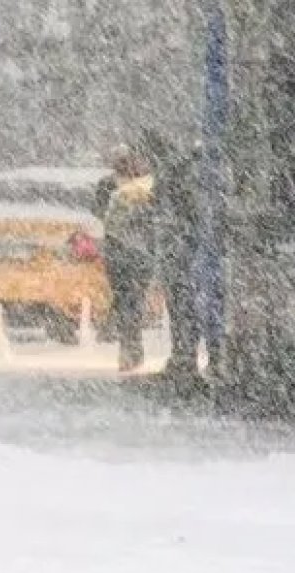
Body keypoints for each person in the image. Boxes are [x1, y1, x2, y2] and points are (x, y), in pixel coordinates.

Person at [137, 130, 205, 389]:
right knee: (184, 307)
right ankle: (184, 360)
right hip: (183, 250)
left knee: (182, 308)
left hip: (180, 251)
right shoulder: (179, 169)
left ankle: (184, 360)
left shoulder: (173, 172)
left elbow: (164, 209)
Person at [95, 144, 157, 372]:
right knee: (131, 300)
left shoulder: (110, 186)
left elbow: (100, 212)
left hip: (122, 251)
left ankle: (129, 347)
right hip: (134, 252)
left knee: (126, 300)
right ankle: (131, 346)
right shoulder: (149, 186)